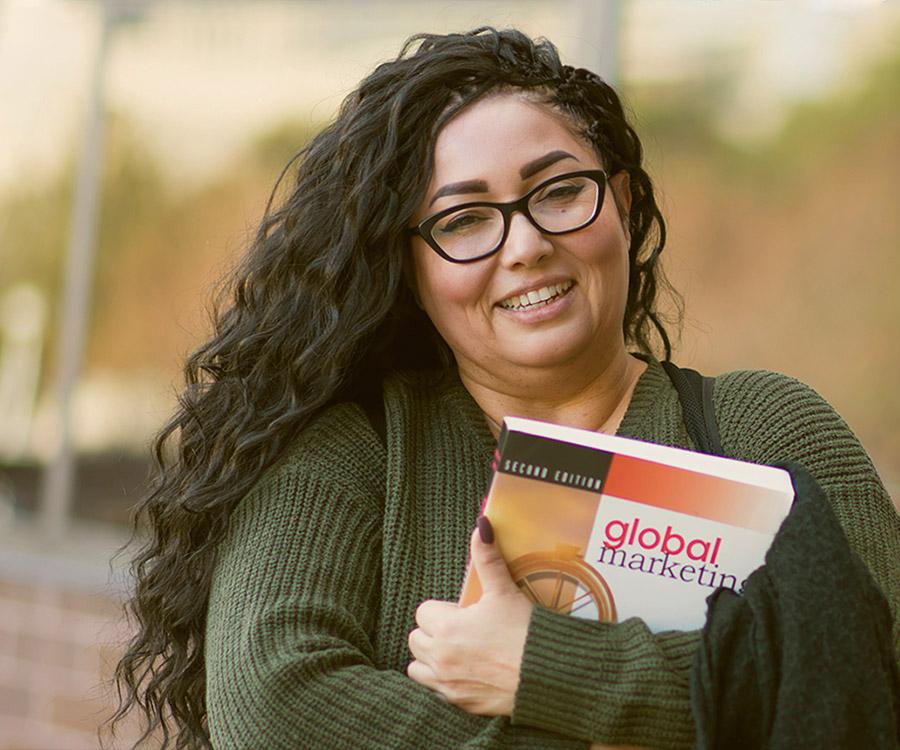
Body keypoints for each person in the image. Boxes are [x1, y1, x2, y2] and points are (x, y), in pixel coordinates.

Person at [108, 27, 900, 750]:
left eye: (558, 192)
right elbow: (275, 708)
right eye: (463, 221)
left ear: (620, 203)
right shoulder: (354, 456)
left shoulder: (766, 426)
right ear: (411, 271)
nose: (525, 243)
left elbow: (879, 670)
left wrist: (541, 667)